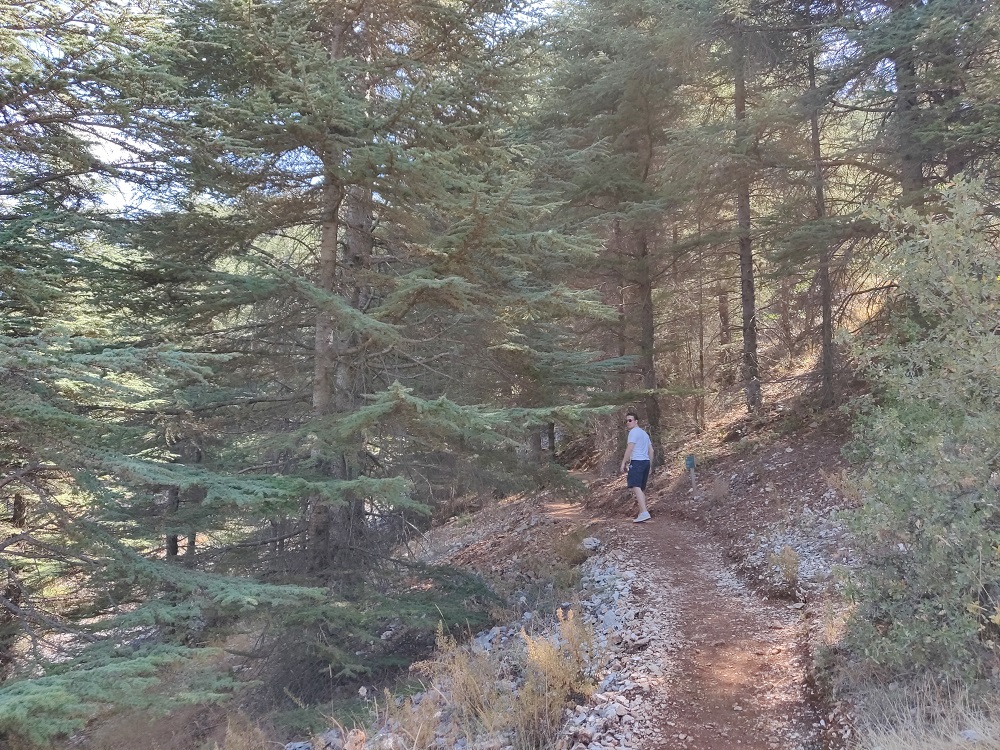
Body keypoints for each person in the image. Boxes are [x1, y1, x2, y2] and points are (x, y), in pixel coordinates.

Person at [620, 411, 653, 523]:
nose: (628, 423)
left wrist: (623, 462)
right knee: (640, 488)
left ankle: (644, 512)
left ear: (636, 421)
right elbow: (651, 450)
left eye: (630, 420)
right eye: (626, 421)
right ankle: (642, 512)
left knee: (635, 485)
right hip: (645, 462)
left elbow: (630, 447)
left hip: (637, 461)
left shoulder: (634, 432)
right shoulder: (644, 434)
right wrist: (650, 465)